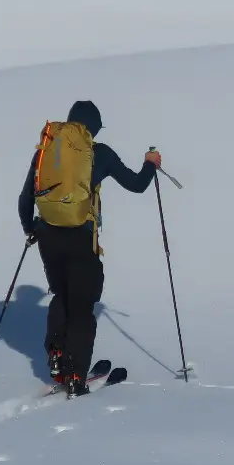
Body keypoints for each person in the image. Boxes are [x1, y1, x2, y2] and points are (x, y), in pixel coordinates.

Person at [18, 100, 160, 394]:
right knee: (82, 307)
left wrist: (31, 228)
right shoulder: (100, 153)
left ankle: (56, 353)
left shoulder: (46, 151)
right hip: (81, 238)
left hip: (48, 236)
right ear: (93, 128)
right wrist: (150, 164)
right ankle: (75, 376)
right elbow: (136, 185)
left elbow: (25, 198)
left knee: (62, 295)